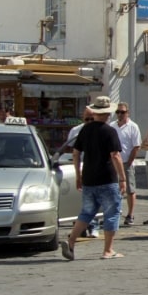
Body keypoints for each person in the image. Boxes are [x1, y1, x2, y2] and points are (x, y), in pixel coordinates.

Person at [60, 96, 126, 261]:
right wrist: (122, 178)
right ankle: (108, 250)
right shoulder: (109, 131)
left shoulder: (85, 129)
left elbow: (75, 153)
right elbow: (115, 155)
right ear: (107, 113)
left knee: (86, 213)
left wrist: (78, 174)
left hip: (89, 177)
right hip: (106, 178)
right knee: (111, 213)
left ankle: (71, 241)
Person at [55, 107, 99, 238]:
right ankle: (79, 227)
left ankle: (94, 226)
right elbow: (73, 151)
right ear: (82, 118)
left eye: (92, 118)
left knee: (93, 198)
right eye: (87, 119)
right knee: (79, 198)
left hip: (95, 167)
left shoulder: (99, 129)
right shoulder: (76, 131)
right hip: (80, 167)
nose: (90, 121)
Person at [111, 102, 142, 226]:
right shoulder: (112, 126)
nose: (120, 114)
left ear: (127, 113)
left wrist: (129, 162)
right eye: (117, 112)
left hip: (126, 161)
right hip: (113, 161)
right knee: (113, 189)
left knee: (130, 189)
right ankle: (115, 212)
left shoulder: (133, 126)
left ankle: (130, 214)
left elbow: (136, 146)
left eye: (122, 112)